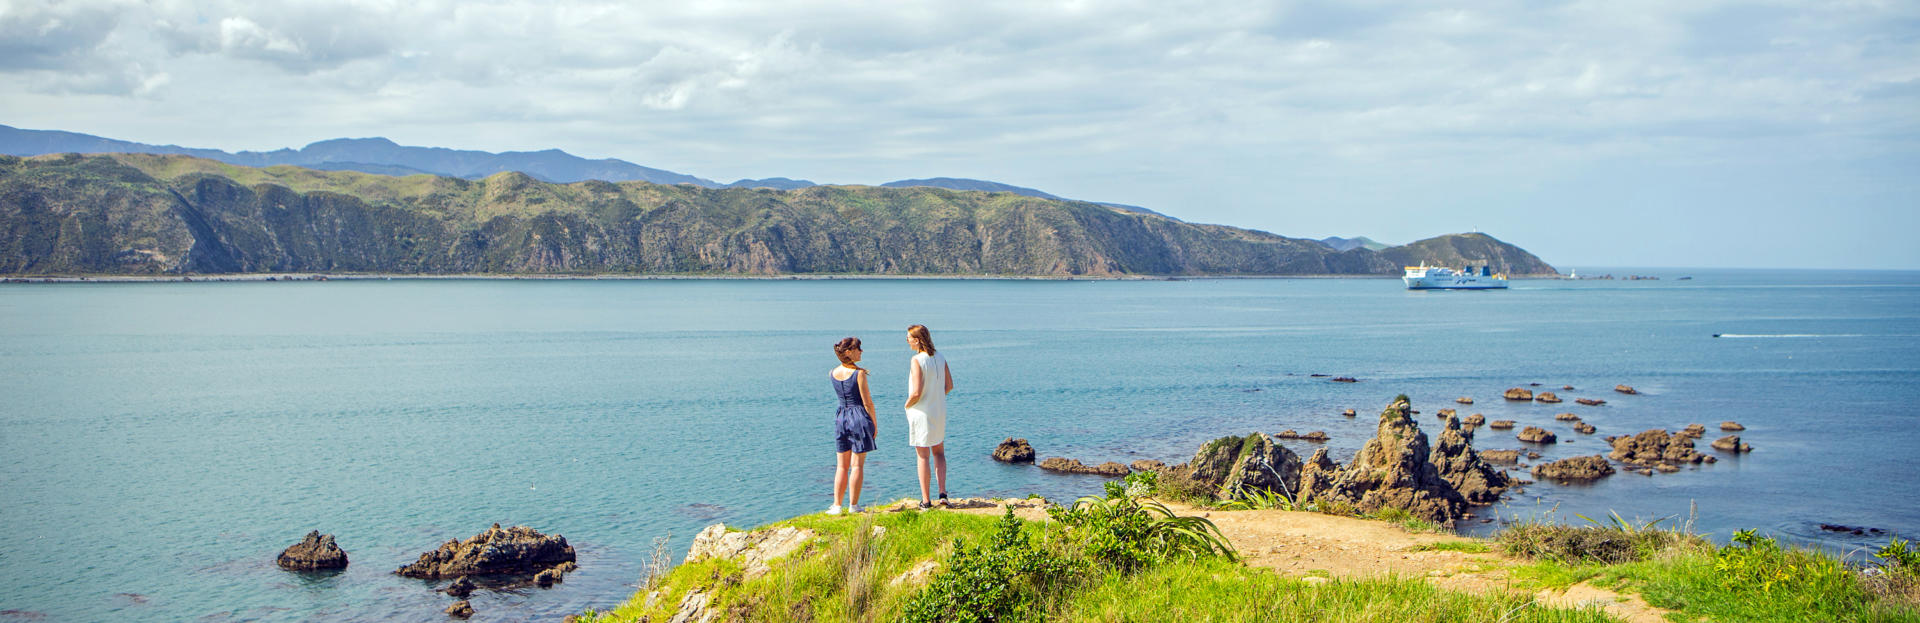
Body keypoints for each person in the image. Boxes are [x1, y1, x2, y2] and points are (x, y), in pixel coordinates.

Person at [903, 324, 954, 508]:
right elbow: (949, 386)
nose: (907, 340)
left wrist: (906, 404)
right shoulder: (940, 357)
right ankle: (943, 494)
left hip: (921, 411)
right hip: (938, 410)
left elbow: (916, 391)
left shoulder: (916, 360)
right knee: (939, 452)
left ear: (917, 340)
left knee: (922, 455)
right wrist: (936, 397)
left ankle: (925, 500)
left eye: (908, 337)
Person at [828, 337, 878, 514]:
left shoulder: (832, 372)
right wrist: (874, 424)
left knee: (841, 465)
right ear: (848, 352)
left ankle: (836, 505)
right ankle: (853, 505)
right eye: (858, 348)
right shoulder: (859, 374)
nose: (861, 351)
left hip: (841, 416)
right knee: (857, 465)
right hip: (858, 417)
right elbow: (867, 403)